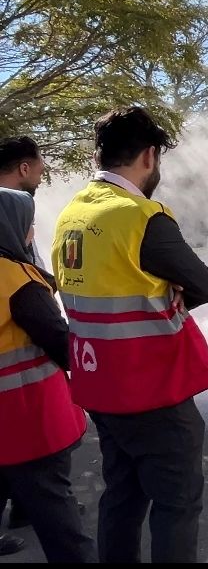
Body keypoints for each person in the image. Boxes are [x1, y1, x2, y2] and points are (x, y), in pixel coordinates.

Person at [51, 106, 208, 563]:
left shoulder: (71, 215)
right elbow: (205, 285)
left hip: (99, 385)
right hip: (151, 389)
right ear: (149, 156)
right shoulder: (141, 216)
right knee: (176, 504)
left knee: (122, 496)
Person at [0, 188, 95, 562]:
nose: (32, 230)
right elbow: (61, 343)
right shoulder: (18, 281)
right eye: (29, 222)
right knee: (59, 516)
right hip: (26, 418)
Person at [0, 136, 50, 551]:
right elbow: (26, 268)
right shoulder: (12, 208)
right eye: (39, 165)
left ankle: (26, 506)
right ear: (23, 168)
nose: (43, 172)